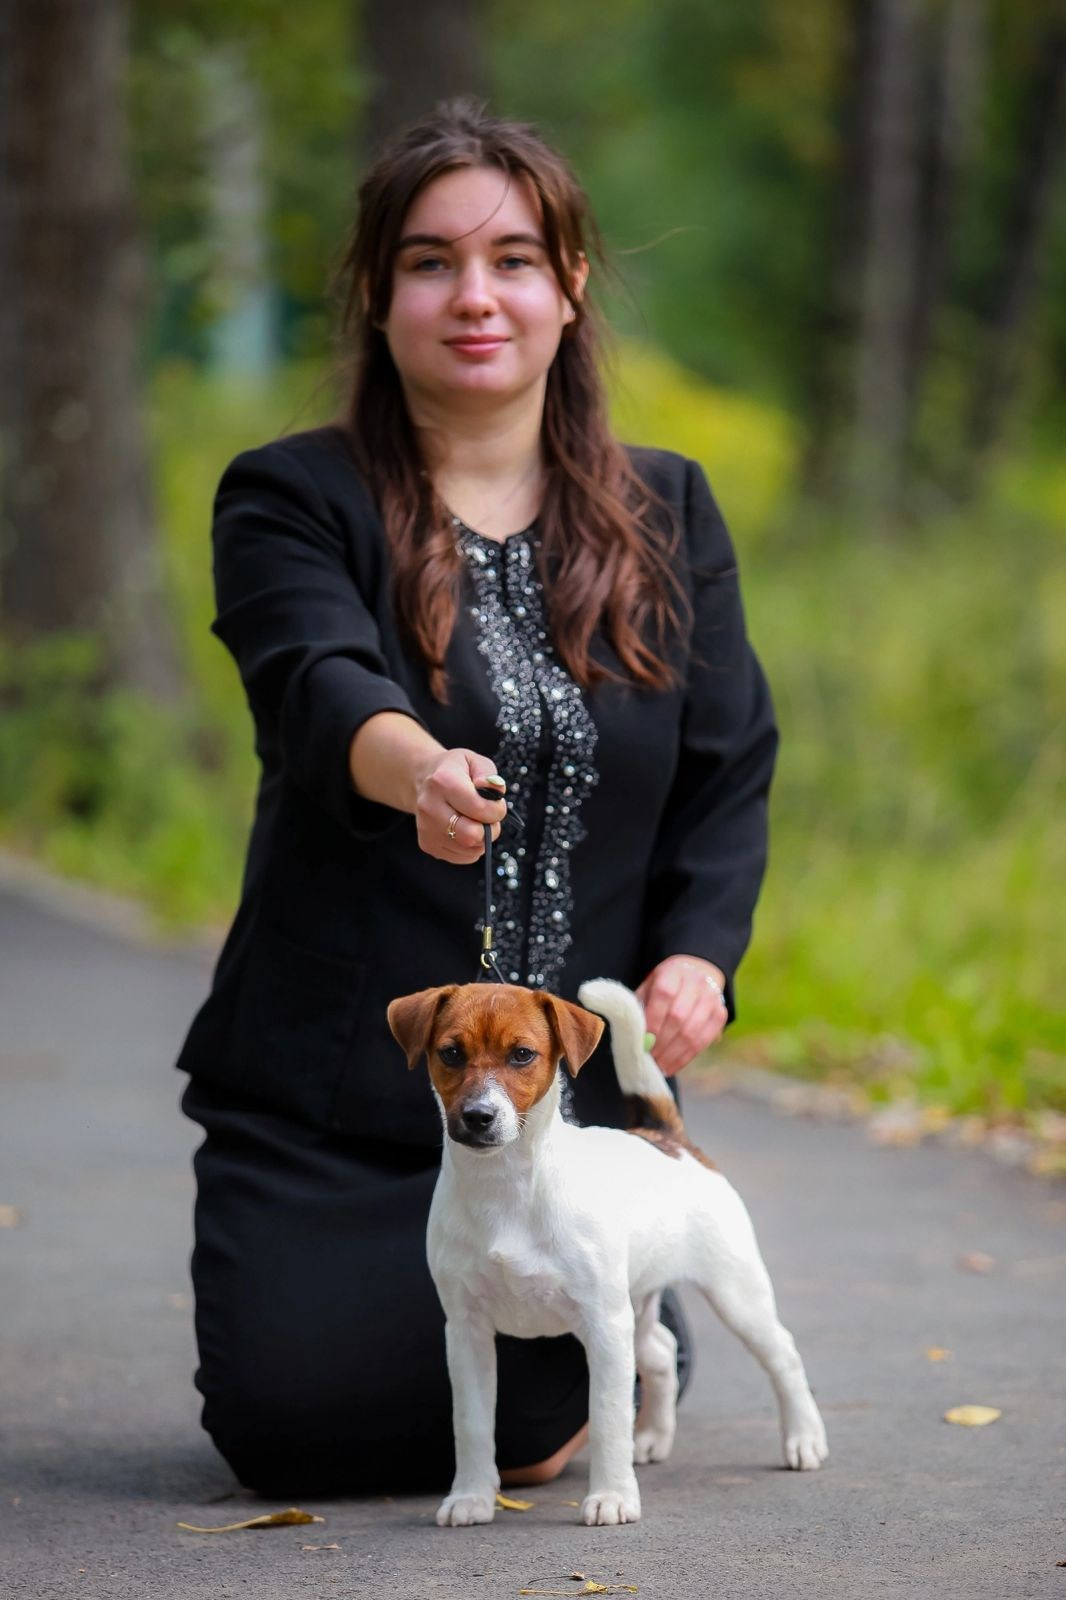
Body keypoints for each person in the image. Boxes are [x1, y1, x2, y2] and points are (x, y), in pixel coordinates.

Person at [175, 98, 777, 1498]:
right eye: (432, 261)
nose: (474, 295)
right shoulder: (288, 495)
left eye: (513, 257)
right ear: (378, 293)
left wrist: (698, 954)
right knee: (298, 1431)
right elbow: (314, 678)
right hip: (332, 1098)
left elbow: (726, 762)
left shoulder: (666, 508)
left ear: (569, 286)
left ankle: (619, 1292)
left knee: (503, 1403)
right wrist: (416, 768)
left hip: (555, 1126)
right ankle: (608, 1322)